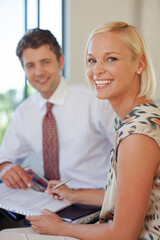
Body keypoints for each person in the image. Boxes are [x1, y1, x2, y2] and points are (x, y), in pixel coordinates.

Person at [1, 20, 160, 240]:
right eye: (92, 60)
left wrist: (59, 228)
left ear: (140, 65)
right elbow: (125, 194)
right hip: (81, 204)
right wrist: (73, 195)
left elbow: (124, 234)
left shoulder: (136, 133)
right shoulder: (136, 116)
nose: (97, 70)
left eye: (111, 59)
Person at [0, 28, 116, 190]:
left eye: (45, 62)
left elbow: (130, 154)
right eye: (31, 66)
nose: (39, 72)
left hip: (97, 201)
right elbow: (5, 156)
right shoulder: (24, 111)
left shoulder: (95, 100)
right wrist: (5, 167)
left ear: (60, 62)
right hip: (49, 197)